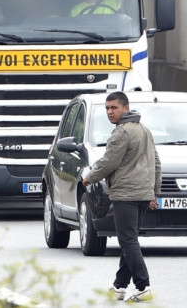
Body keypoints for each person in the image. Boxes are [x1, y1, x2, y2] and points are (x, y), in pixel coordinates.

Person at [82, 92, 161, 302]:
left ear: (126, 108)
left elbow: (109, 162)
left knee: (127, 241)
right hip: (143, 194)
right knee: (130, 240)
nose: (110, 112)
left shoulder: (121, 133)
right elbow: (156, 163)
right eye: (107, 108)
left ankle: (143, 286)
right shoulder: (145, 131)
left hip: (126, 194)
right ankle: (119, 286)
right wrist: (154, 192)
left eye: (114, 108)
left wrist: (90, 176)